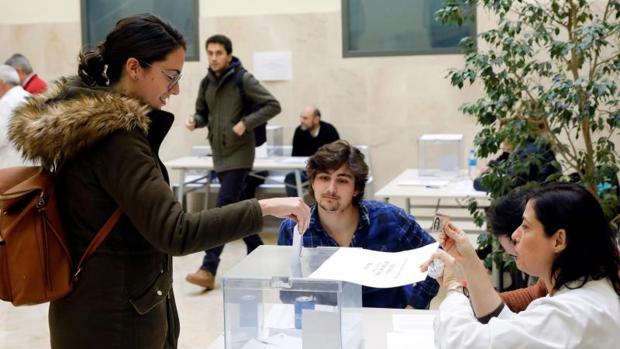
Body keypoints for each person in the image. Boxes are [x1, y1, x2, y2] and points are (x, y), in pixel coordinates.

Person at [8, 14, 310, 349]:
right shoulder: (115, 138)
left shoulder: (85, 126)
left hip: (91, 314)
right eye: (170, 76)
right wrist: (265, 207)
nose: (176, 88)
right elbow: (175, 232)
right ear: (134, 67)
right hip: (116, 325)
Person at [423, 183, 620, 348]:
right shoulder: (589, 290)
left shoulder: (570, 313)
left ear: (559, 240)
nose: (515, 235)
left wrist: (454, 287)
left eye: (525, 226)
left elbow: (463, 343)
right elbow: (512, 331)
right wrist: (469, 261)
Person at [278, 140, 439, 308]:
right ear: (312, 182)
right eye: (324, 178)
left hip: (386, 317)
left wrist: (415, 305)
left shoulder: (390, 218)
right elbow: (286, 290)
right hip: (326, 322)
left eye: (342, 180)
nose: (331, 189)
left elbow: (438, 258)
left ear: (356, 188)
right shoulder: (293, 229)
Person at [185, 34, 281, 290]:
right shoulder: (207, 83)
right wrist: (196, 121)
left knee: (223, 208)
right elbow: (203, 113)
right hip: (219, 154)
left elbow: (273, 105)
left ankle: (208, 267)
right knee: (238, 210)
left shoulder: (242, 79)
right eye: (210, 53)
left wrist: (245, 123)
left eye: (219, 53)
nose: (214, 58)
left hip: (239, 154)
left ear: (229, 55)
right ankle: (261, 253)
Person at [486, 188, 548, 312]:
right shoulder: (551, 276)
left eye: (515, 256)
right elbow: (535, 293)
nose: (516, 235)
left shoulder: (568, 299)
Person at [284, 106, 340, 197]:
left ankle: (324, 210)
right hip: (305, 171)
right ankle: (294, 209)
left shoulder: (329, 130)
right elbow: (295, 156)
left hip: (326, 171)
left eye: (305, 118)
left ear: (316, 119)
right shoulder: (299, 131)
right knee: (291, 177)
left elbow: (338, 156)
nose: (301, 120)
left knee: (323, 179)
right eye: (301, 117)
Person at [473, 138, 561, 192]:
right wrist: (491, 165)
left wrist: (477, 182)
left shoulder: (528, 153)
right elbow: (506, 164)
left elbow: (509, 186)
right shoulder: (531, 144)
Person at [0, 64, 31, 168]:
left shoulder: (6, 103)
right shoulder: (28, 96)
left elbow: (1, 136)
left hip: (11, 164)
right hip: (29, 162)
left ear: (1, 84)